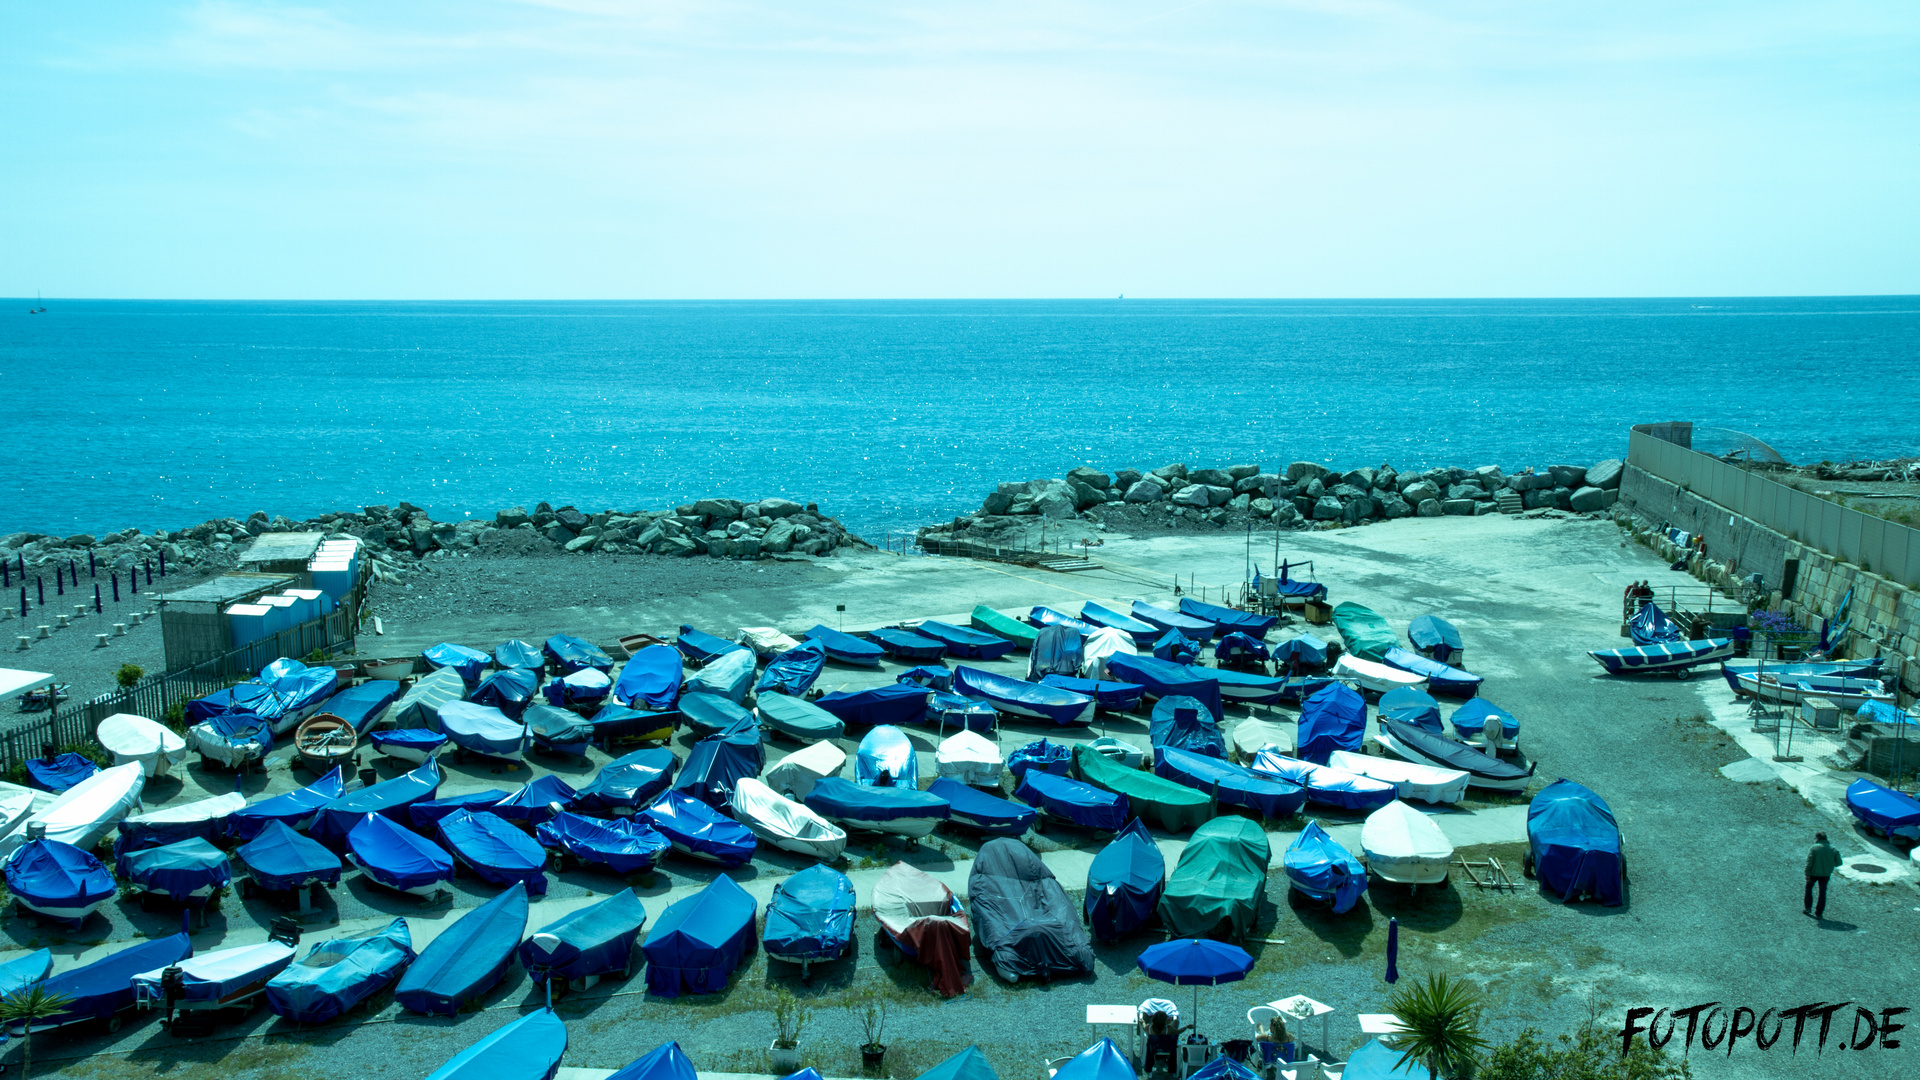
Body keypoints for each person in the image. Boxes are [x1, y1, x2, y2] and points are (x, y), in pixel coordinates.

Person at [1805, 831, 1841, 918]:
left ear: (1817, 838)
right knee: (1822, 892)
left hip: (1812, 873)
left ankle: (1808, 908)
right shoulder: (1833, 849)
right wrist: (1830, 865)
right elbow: (1839, 863)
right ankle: (1819, 913)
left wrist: (1807, 872)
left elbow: (1809, 862)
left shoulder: (1814, 848)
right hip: (1825, 874)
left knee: (1809, 888)